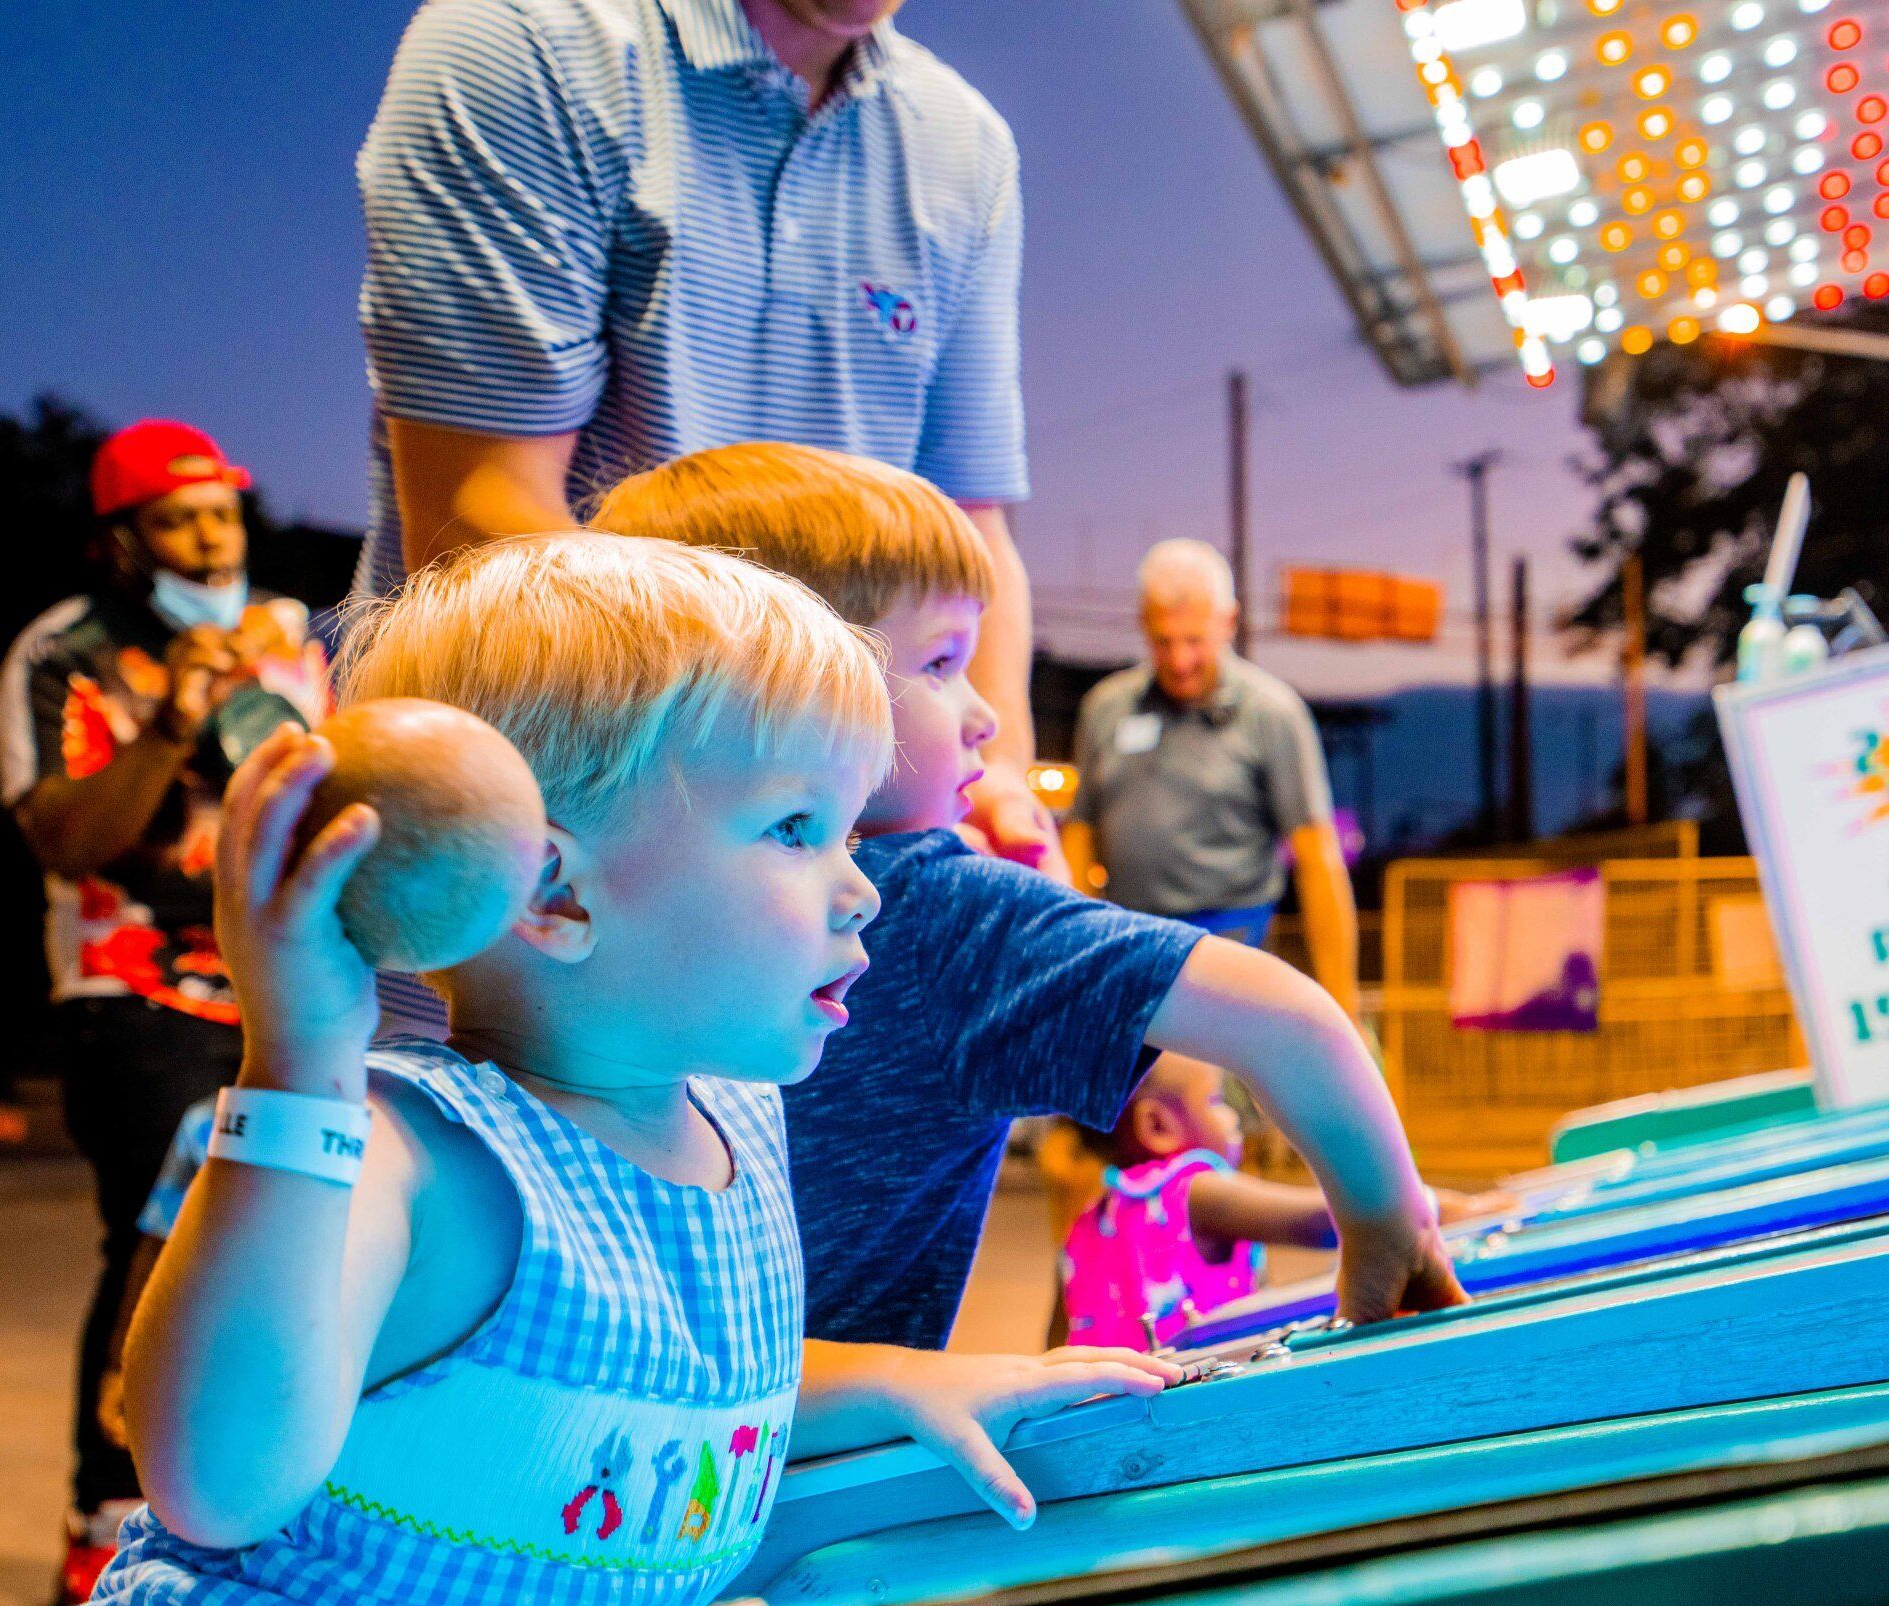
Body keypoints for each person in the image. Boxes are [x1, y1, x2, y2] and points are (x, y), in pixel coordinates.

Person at [0, 534, 1177, 1606]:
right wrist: (300, 1069)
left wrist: (891, 1385)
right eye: (798, 830)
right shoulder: (414, 1155)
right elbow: (216, 1480)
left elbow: (643, 1395)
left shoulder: (735, 1118)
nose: (860, 887)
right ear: (553, 892)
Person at [591, 444, 1463, 1351]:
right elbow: (1295, 1024)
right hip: (828, 1463)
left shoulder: (614, 893)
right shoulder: (941, 915)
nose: (985, 716)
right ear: (791, 697)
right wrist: (1389, 1227)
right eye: (940, 664)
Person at [355, 0, 1060, 875]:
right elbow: (484, 525)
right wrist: (781, 813)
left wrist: (991, 785)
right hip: (547, 851)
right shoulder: (526, 46)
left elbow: (973, 529)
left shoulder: (967, 147)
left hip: (828, 854)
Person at [0, 419, 327, 1605]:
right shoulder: (66, 649)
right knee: (157, 1235)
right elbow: (68, 835)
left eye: (220, 512)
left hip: (288, 980)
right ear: (122, 540)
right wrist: (174, 721)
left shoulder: (292, 637)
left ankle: (256, 1507)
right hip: (133, 988)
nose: (205, 536)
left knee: (292, 1233)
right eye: (175, 519)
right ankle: (109, 1509)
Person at [1067, 540, 1361, 1018]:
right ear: (1143, 624)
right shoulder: (1105, 709)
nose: (1180, 661)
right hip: (1130, 954)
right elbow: (1079, 834)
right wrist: (1079, 954)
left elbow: (1318, 858)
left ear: (1228, 623)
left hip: (1235, 957)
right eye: (1164, 641)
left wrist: (1341, 1008)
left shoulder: (1272, 714)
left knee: (1213, 1093)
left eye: (1195, 641)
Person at [1061, 1054, 1501, 1352]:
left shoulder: (1090, 1219)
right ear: (1159, 1126)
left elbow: (1064, 1338)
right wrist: (1447, 1210)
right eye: (1215, 1101)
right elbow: (1332, 1220)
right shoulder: (1193, 1191)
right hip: (1185, 1411)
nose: (1233, 1117)